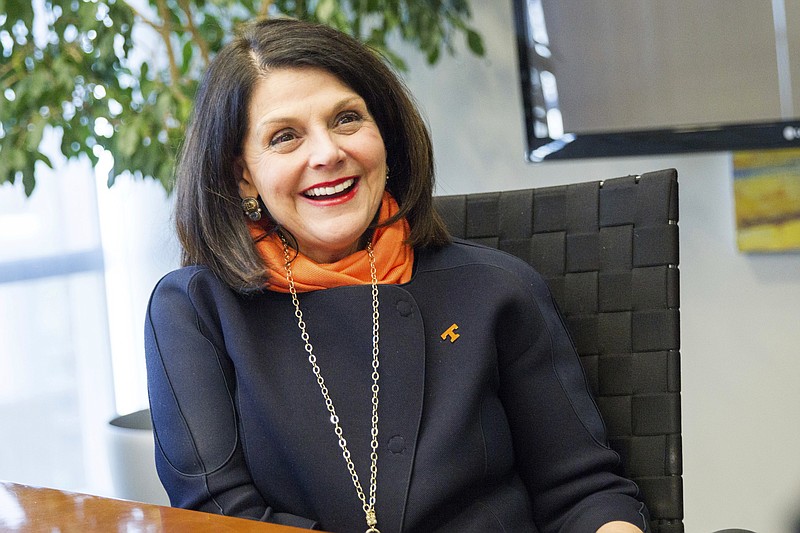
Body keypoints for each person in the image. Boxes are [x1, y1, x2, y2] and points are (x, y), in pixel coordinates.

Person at [144, 17, 649, 533]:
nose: (328, 153)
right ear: (243, 173)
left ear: (383, 134)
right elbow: (219, 515)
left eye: (346, 119)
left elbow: (583, 491)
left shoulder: (498, 287)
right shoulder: (194, 310)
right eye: (285, 137)